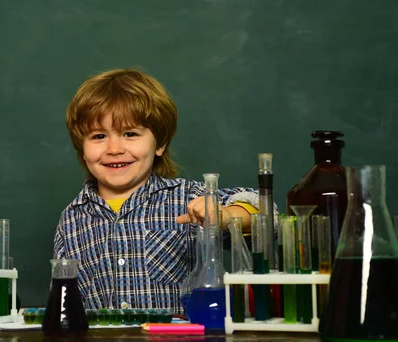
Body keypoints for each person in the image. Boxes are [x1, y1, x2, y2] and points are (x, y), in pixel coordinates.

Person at [53, 68, 265, 313]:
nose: (114, 148)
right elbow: (61, 304)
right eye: (99, 136)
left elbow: (262, 206)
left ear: (160, 144)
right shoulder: (71, 220)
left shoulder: (188, 198)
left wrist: (227, 216)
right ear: (82, 148)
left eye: (130, 134)